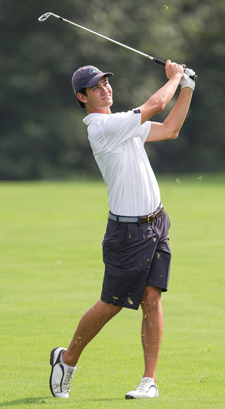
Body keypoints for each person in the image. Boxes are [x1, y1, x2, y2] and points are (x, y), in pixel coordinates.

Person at [49, 60, 196, 399]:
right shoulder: (103, 127)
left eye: (106, 83)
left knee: (152, 297)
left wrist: (187, 87)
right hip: (127, 233)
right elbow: (157, 105)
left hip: (156, 222)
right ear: (83, 98)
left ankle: (149, 380)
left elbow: (171, 128)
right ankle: (67, 360)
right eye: (96, 87)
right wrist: (175, 77)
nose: (105, 89)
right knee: (111, 304)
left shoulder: (122, 125)